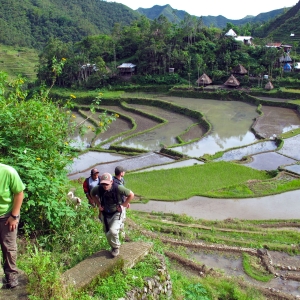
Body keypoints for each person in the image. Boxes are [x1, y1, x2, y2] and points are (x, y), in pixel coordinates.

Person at [91, 173, 134, 257]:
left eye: (106, 184)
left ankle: (115, 247)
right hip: (105, 213)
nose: (105, 186)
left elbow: (131, 194)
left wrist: (123, 205)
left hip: (117, 213)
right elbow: (92, 194)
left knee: (112, 231)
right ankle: (114, 244)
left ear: (111, 182)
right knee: (107, 233)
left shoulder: (118, 188)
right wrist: (99, 204)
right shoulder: (99, 188)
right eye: (103, 184)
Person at [0, 163, 25, 288]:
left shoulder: (8, 172)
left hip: (7, 215)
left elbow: (19, 193)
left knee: (8, 247)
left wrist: (14, 216)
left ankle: (11, 275)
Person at [113, 166, 128, 238]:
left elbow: (123, 193)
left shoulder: (121, 180)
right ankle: (120, 235)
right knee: (119, 219)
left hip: (122, 202)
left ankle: (121, 233)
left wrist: (126, 202)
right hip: (118, 204)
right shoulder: (114, 183)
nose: (124, 172)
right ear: (121, 173)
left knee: (122, 219)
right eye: (123, 171)